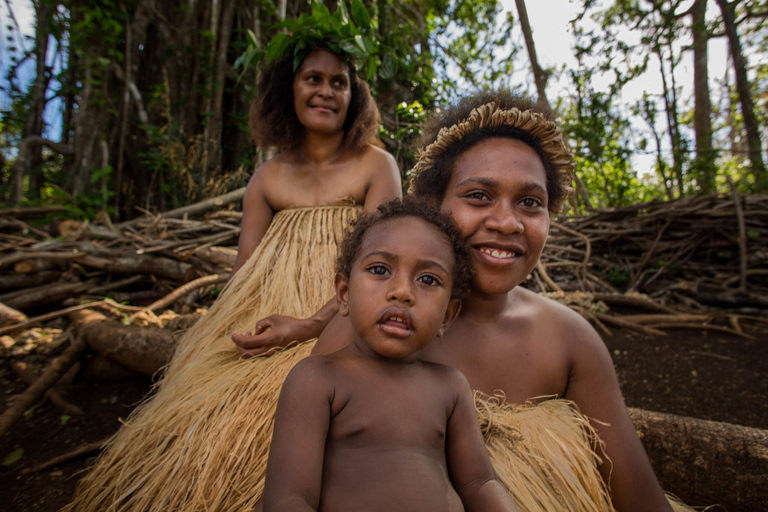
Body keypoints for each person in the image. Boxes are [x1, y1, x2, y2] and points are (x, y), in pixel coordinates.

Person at [241, 90, 694, 512]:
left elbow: (640, 498)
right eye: (479, 195)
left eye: (530, 203)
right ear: (433, 204)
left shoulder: (569, 341)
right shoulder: (362, 337)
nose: (506, 221)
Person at [65, 45, 401, 512]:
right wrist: (231, 331)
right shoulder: (267, 177)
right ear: (290, 89)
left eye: (339, 82)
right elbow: (245, 271)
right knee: (207, 411)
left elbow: (381, 267)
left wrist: (308, 325)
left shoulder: (376, 165)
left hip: (346, 315)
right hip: (267, 308)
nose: (326, 91)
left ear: (355, 94)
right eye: (313, 79)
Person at [263, 198, 517, 512]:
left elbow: (479, 483)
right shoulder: (317, 379)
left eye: (428, 279)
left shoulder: (450, 387)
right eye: (380, 269)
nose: (402, 292)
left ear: (448, 315)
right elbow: (288, 498)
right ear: (344, 294)